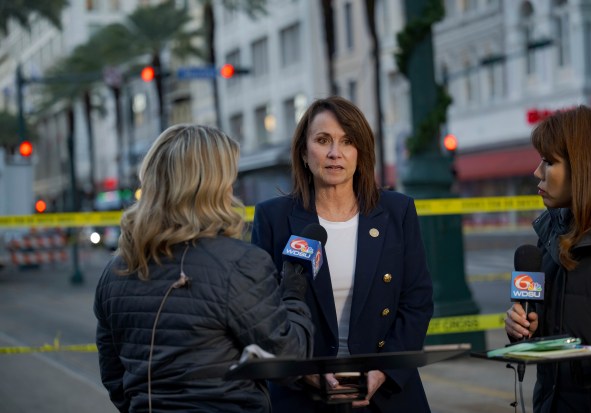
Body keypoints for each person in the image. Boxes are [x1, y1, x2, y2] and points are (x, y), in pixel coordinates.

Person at [94, 124, 314, 413]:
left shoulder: (115, 271)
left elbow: (114, 377)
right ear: (213, 185)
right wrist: (294, 292)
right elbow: (288, 359)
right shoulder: (239, 263)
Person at [251, 96, 434, 413]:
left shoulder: (397, 211)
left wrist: (382, 372)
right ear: (304, 153)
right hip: (302, 396)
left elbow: (416, 302)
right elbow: (260, 313)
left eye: (347, 141)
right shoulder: (272, 218)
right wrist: (305, 373)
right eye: (323, 140)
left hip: (387, 394)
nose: (335, 153)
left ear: (360, 153)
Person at [504, 106, 591, 412]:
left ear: (586, 167)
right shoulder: (548, 238)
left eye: (549, 161)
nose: (537, 172)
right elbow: (537, 333)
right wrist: (518, 327)